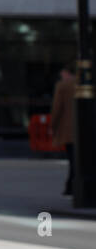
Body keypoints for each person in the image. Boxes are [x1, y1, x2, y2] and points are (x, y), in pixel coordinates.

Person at [50, 63, 77, 196]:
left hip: (69, 130)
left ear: (66, 72)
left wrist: (52, 127)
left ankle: (71, 186)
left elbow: (57, 108)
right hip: (85, 130)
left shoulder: (63, 86)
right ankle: (72, 185)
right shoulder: (84, 83)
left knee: (73, 158)